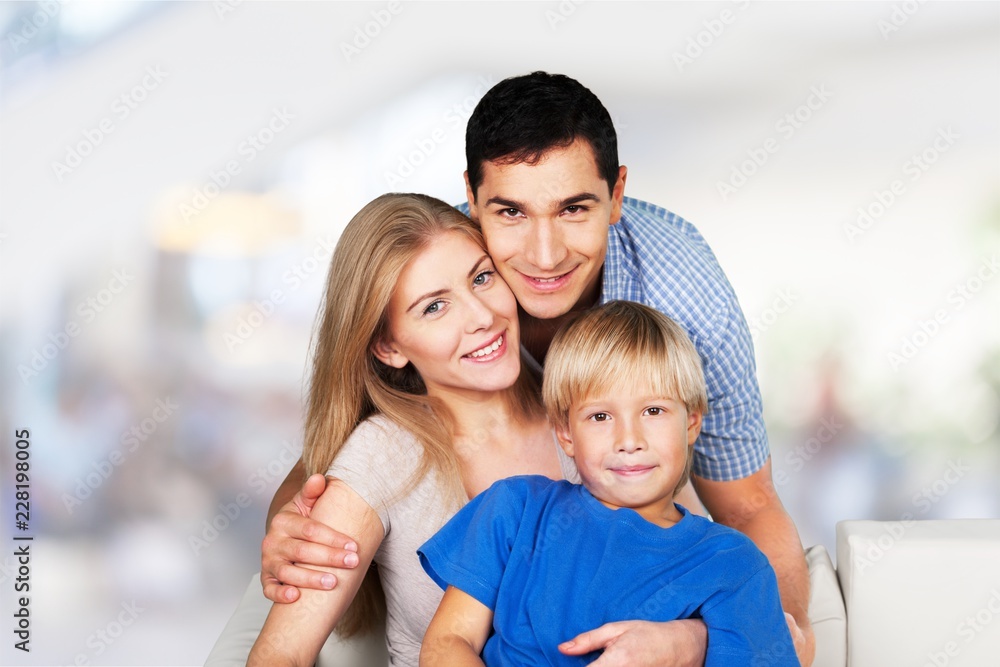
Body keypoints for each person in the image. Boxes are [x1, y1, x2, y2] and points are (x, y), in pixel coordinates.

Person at [261, 72, 815, 665]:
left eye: (573, 208)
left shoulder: (619, 408)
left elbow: (740, 519)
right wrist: (289, 522)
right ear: (474, 200)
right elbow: (340, 454)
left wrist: (711, 640)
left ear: (616, 194)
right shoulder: (444, 254)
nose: (544, 256)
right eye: (435, 307)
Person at [247, 192, 659, 667]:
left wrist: (688, 637)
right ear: (388, 347)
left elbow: (690, 552)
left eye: (482, 278)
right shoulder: (383, 455)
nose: (483, 317)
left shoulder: (591, 408)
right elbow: (279, 656)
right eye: (435, 307)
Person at [418, 301, 798, 666]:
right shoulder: (515, 510)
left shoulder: (734, 564)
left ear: (692, 423)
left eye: (653, 410)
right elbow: (448, 642)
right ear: (566, 433)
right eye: (600, 416)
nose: (629, 440)